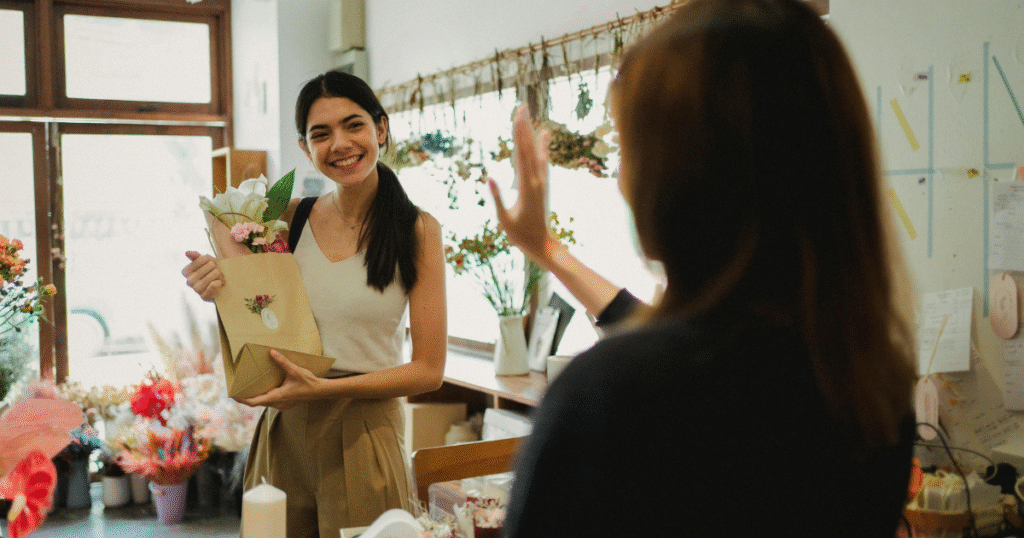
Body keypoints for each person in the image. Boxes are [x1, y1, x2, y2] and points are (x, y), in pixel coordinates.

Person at [490, 0, 918, 536]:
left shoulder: (610, 396)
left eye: (630, 149)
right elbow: (681, 336)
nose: (622, 180)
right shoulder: (870, 385)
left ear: (684, 176)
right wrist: (546, 249)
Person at [182, 70, 447, 537]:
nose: (340, 143)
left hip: (364, 432)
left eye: (354, 125)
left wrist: (321, 390)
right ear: (305, 148)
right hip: (285, 432)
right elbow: (259, 311)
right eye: (320, 134)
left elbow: (428, 370)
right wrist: (215, 286)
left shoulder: (417, 230)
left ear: (381, 129)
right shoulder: (286, 219)